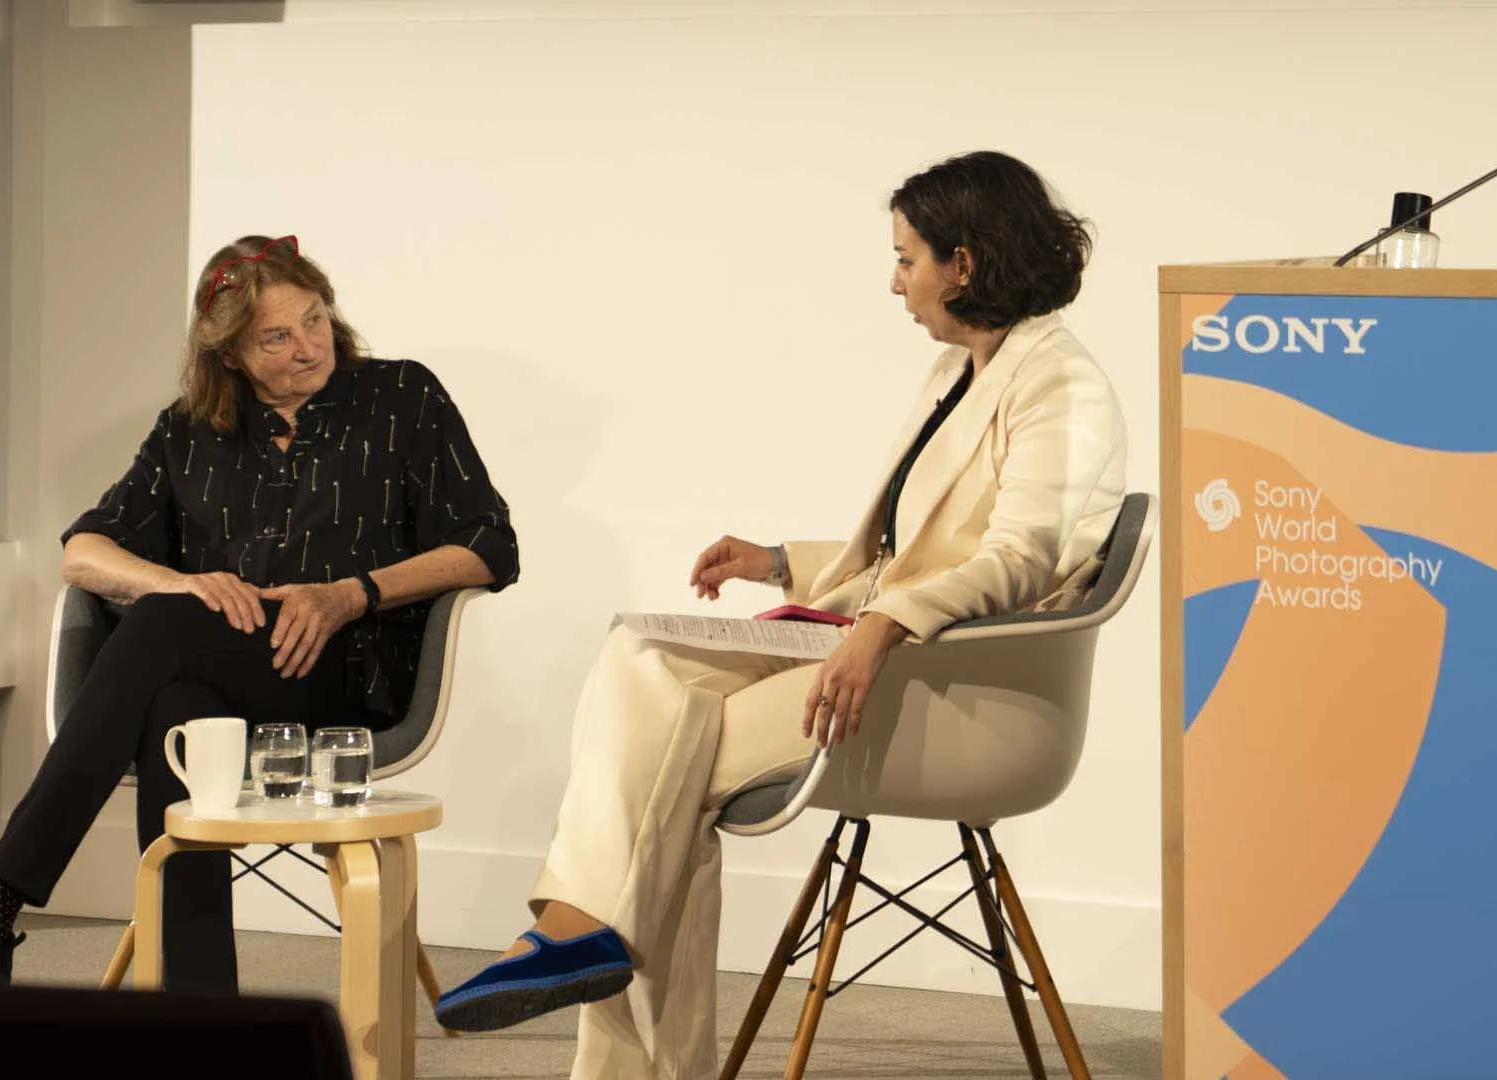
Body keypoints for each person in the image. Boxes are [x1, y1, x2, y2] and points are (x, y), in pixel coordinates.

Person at [432, 151, 1127, 1079]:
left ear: (964, 262)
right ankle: (581, 932)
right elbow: (908, 545)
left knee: (657, 779)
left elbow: (1018, 558)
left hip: (954, 682)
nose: (895, 282)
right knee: (640, 654)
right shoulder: (963, 368)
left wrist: (882, 628)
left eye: (907, 259)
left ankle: (577, 937)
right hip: (873, 641)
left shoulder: (1061, 383)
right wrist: (778, 562)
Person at [0, 235, 518, 991]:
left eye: (315, 320)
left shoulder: (402, 398)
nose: (308, 347)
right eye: (276, 337)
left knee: (160, 638)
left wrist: (351, 593)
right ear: (229, 354)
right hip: (224, 678)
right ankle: (197, 1011)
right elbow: (84, 551)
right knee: (178, 708)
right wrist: (176, 584)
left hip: (349, 678)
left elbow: (488, 543)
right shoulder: (190, 430)